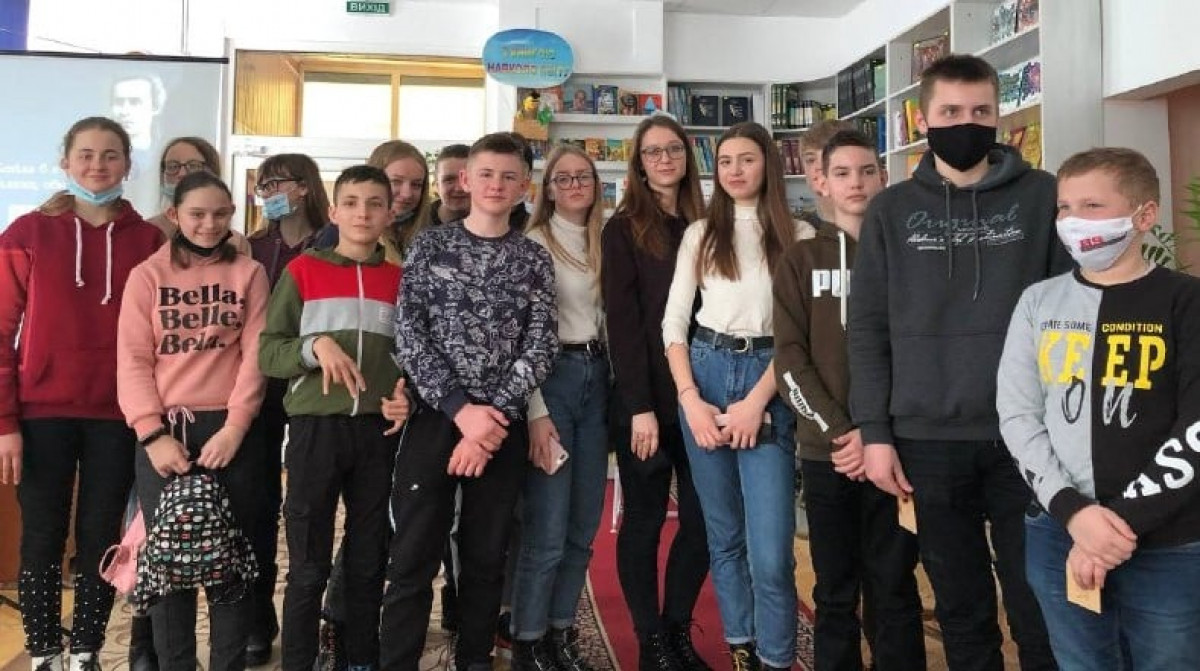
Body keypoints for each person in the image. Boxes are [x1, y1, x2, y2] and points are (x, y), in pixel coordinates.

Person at [847, 54, 1066, 671]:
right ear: (923, 119)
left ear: (999, 116)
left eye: (980, 111)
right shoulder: (889, 210)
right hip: (927, 441)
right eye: (950, 111)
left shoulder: (1044, 196)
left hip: (1029, 437)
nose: (965, 122)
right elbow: (867, 328)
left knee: (1039, 605)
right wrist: (875, 434)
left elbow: (1068, 313)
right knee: (961, 610)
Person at [998, 147, 1200, 669]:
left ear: (1144, 215)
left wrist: (1111, 529)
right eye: (1064, 207)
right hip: (1056, 529)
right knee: (1081, 662)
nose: (1072, 221)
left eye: (1091, 206)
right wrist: (1074, 513)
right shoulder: (1038, 302)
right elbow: (1018, 416)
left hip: (1168, 541)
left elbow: (1196, 429)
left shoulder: (1187, 301)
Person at [380, 132, 557, 671]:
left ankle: (474, 659)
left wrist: (490, 422)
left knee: (485, 557)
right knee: (413, 555)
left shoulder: (533, 258)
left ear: (524, 186)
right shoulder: (430, 247)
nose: (496, 185)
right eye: (486, 174)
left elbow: (541, 345)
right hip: (436, 416)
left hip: (501, 425)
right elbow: (409, 334)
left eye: (509, 176)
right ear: (465, 180)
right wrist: (461, 411)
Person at [0, 116, 162, 671]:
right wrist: (5, 423)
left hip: (118, 415)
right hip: (41, 413)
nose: (98, 165)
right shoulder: (26, 233)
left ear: (127, 164)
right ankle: (45, 652)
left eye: (111, 155)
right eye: (86, 154)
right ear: (65, 161)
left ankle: (87, 649)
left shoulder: (148, 240)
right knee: (42, 536)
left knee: (101, 536)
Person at [663, 121, 814, 671]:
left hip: (769, 376)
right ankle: (743, 648)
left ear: (767, 164)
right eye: (724, 161)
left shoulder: (799, 234)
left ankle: (776, 658)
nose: (734, 170)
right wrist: (690, 400)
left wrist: (755, 403)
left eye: (746, 159)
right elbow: (674, 324)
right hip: (704, 374)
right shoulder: (700, 234)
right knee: (724, 538)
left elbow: (801, 331)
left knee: (770, 552)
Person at [772, 129, 925, 671]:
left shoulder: (910, 256)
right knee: (835, 589)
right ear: (821, 182)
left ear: (883, 177)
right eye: (842, 173)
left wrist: (879, 431)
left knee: (894, 584)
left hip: (896, 451)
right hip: (828, 453)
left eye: (866, 171)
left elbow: (921, 351)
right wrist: (844, 432)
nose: (856, 182)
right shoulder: (799, 260)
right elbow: (789, 359)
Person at [258, 165, 410, 671]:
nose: (363, 213)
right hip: (314, 431)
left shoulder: (400, 281)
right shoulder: (302, 271)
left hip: (377, 433)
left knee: (368, 561)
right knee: (308, 566)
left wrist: (405, 396)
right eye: (351, 203)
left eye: (374, 203)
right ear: (333, 211)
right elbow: (268, 353)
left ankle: (360, 659)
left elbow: (411, 360)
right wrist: (314, 346)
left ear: (390, 214)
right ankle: (299, 662)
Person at [116, 170, 269, 671]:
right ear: (174, 215)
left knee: (230, 564)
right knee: (169, 567)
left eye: (221, 214)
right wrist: (152, 433)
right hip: (165, 433)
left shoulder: (249, 273)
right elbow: (133, 361)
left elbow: (255, 357)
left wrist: (236, 426)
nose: (209, 224)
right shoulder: (147, 276)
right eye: (197, 214)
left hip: (230, 431)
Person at [601, 113, 711, 671]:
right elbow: (622, 325)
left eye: (673, 149)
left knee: (703, 520)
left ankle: (676, 628)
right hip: (645, 401)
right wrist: (640, 406)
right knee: (644, 522)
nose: (664, 159)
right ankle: (650, 640)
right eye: (652, 152)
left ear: (687, 158)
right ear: (639, 164)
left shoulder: (708, 224)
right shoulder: (622, 229)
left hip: (702, 398)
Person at [509, 145, 608, 671]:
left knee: (584, 524)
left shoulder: (604, 239)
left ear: (596, 184)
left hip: (598, 379)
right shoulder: (534, 244)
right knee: (547, 526)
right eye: (562, 178)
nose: (573, 185)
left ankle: (561, 631)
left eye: (582, 176)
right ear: (547, 189)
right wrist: (535, 411)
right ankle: (529, 641)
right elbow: (520, 338)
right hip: (552, 382)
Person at [244, 151, 334, 666]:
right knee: (255, 503)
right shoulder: (251, 246)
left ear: (304, 187)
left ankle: (316, 619)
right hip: (258, 384)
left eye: (278, 182)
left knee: (308, 505)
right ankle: (258, 619)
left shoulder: (330, 243)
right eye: (264, 184)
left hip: (315, 384)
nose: (270, 192)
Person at [314, 140, 432, 262]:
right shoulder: (338, 234)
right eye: (396, 182)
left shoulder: (431, 234)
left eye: (416, 185)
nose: (407, 194)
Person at [146, 137, 252, 255]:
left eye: (193, 166)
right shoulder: (146, 233)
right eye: (173, 166)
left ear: (213, 173)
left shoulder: (235, 243)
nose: (182, 174)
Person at [428, 144, 471, 227]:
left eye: (467, 179)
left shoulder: (496, 223)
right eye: (449, 180)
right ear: (436, 185)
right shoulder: (416, 224)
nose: (459, 188)